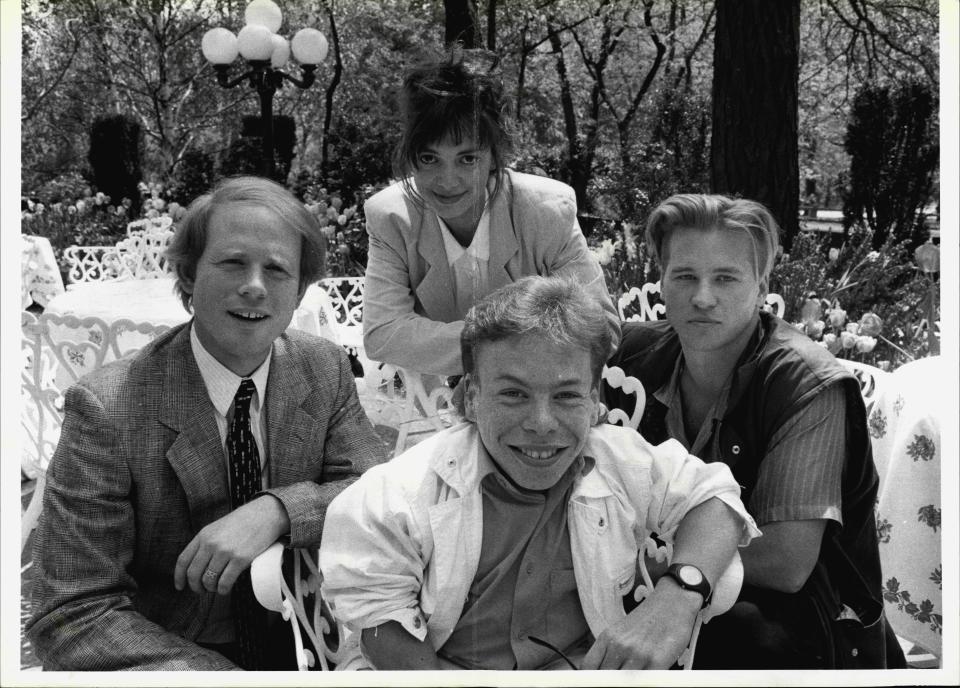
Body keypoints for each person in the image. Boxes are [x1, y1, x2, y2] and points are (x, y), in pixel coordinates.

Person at [27, 176, 388, 671]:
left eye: (277, 269)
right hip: (168, 653)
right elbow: (70, 611)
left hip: (309, 634)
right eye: (233, 262)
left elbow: (374, 492)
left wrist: (276, 511)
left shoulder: (321, 367)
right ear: (190, 274)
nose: (255, 286)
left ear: (301, 290)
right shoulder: (107, 408)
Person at [319, 276, 760, 670]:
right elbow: (382, 629)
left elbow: (715, 497)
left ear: (593, 400)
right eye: (513, 393)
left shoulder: (617, 459)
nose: (542, 423)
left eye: (567, 396)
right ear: (470, 398)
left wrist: (676, 598)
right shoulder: (396, 496)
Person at [605, 194, 905, 668]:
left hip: (800, 624)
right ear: (661, 278)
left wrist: (673, 573)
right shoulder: (632, 356)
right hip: (652, 577)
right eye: (684, 276)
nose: (703, 297)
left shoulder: (807, 383)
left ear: (762, 284)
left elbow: (788, 562)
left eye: (726, 277)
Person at [362, 48, 620, 377]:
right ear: (410, 156)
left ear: (494, 158)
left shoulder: (546, 211)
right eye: (429, 158)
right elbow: (383, 334)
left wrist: (490, 352)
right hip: (434, 406)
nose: (447, 180)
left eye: (467, 158)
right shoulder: (390, 217)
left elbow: (602, 329)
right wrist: (513, 342)